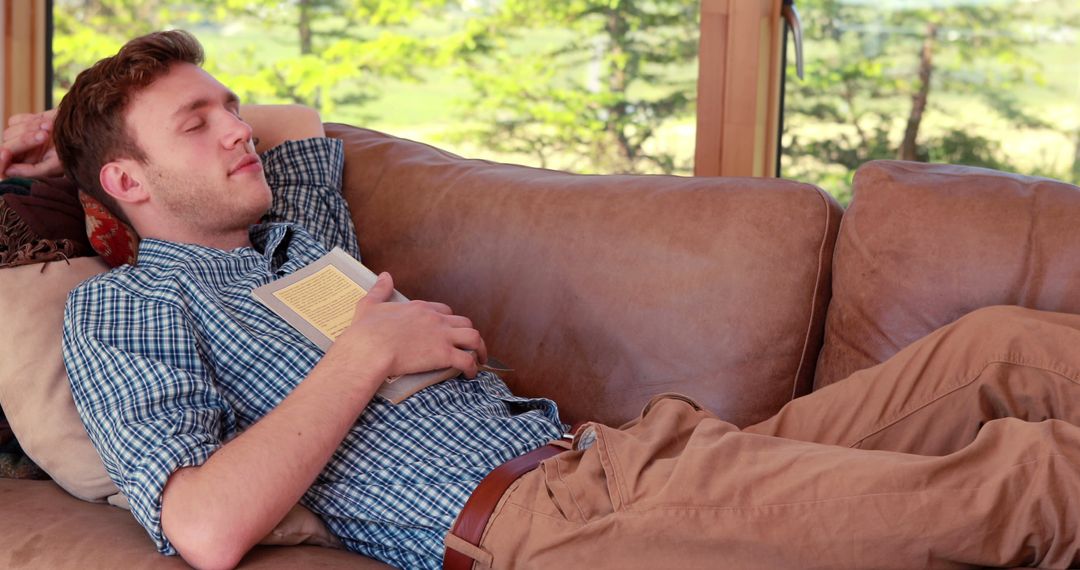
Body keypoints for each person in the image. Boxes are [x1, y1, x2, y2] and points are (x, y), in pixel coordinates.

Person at [5, 29, 1080, 570]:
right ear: (129, 189)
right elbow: (200, 527)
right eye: (198, 124)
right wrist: (367, 352)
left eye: (224, 104)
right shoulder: (128, 308)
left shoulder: (295, 227)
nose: (237, 126)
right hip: (549, 526)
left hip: (623, 454)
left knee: (997, 348)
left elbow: (294, 116)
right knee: (1025, 482)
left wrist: (78, 122)